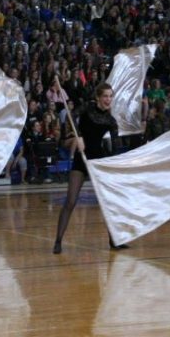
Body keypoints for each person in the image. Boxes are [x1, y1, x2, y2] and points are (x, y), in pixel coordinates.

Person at [53, 83, 120, 254]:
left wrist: (114, 163)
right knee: (70, 201)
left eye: (110, 96)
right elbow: (70, 118)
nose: (108, 99)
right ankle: (58, 241)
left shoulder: (111, 120)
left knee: (108, 203)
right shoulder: (87, 108)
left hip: (98, 162)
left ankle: (114, 240)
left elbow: (116, 147)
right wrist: (79, 137)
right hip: (81, 160)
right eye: (105, 96)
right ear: (98, 97)